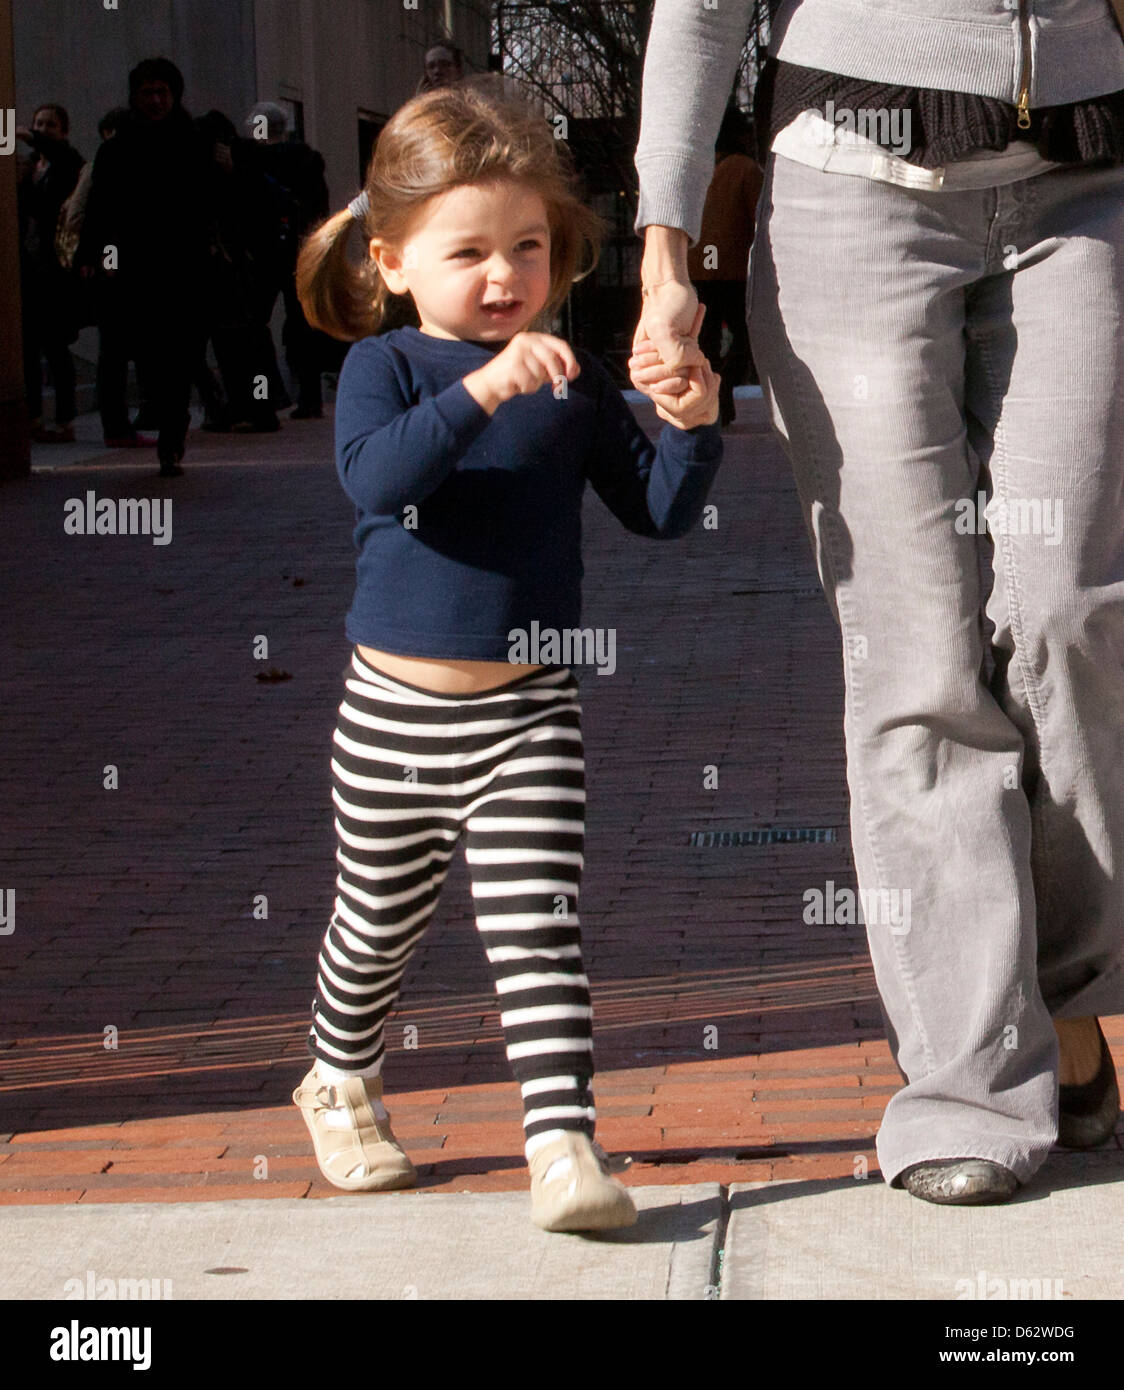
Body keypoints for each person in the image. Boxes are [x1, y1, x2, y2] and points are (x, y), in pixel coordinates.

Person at [630, 0, 1124, 1206]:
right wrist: (661, 253)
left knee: (1067, 610)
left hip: (1082, 185)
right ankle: (963, 1081)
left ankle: (1058, 995)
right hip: (850, 193)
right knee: (914, 647)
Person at [291, 75, 722, 1231]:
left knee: (535, 924)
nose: (502, 277)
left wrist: (690, 429)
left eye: (526, 247)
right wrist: (482, 386)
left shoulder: (566, 383)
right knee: (374, 922)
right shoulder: (381, 373)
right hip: (388, 713)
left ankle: (560, 1144)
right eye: (468, 251)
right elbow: (376, 482)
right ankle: (337, 1078)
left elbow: (656, 514)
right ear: (390, 263)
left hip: (527, 712)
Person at [76, 57, 218, 476]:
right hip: (135, 272)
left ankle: (172, 437)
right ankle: (164, 426)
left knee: (181, 354)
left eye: (163, 93)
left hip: (184, 269)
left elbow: (211, 203)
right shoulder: (117, 150)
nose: (156, 102)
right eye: (147, 93)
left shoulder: (192, 142)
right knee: (151, 358)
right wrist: (97, 259)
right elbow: (100, 210)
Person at [242, 101, 331, 419]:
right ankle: (310, 398)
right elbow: (321, 210)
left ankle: (265, 394)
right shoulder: (308, 160)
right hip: (301, 252)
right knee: (303, 324)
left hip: (263, 254)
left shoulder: (253, 164)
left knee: (252, 324)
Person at [687, 104, 762, 426]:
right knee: (749, 339)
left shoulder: (700, 170)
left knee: (708, 343)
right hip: (734, 271)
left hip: (699, 269)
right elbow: (760, 219)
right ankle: (726, 387)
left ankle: (714, 399)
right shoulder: (747, 170)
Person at [17, 104, 84, 444]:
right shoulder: (29, 169)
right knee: (28, 347)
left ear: (63, 131)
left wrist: (29, 136)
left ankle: (65, 419)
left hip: (56, 270)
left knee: (57, 348)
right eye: (39, 123)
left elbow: (67, 160)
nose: (43, 129)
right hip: (30, 270)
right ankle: (33, 418)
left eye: (51, 125)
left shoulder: (66, 164)